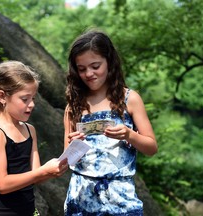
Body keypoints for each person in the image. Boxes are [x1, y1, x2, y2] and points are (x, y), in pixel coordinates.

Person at [63, 30, 158, 215]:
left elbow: (151, 148)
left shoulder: (129, 99)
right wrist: (75, 146)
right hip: (81, 196)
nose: (89, 73)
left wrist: (129, 135)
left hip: (120, 196)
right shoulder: (73, 106)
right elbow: (66, 162)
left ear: (109, 62)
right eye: (81, 69)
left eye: (95, 66)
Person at [0, 60, 68, 216]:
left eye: (33, 99)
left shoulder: (29, 130)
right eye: (25, 99)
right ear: (2, 96)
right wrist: (43, 171)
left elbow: (35, 176)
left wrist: (52, 171)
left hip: (27, 210)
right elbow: (2, 184)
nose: (31, 105)